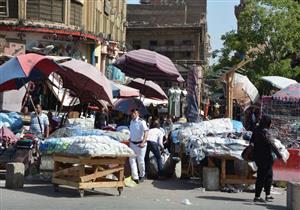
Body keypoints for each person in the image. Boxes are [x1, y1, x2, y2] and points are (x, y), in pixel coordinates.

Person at [250, 115, 282, 202]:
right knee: (262, 176)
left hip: (259, 157)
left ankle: (267, 195)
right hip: (265, 158)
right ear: (267, 123)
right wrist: (280, 156)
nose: (271, 124)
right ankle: (257, 197)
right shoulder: (264, 132)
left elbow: (251, 142)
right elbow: (271, 145)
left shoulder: (256, 130)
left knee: (268, 176)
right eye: (270, 122)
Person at [129, 109, 149, 184]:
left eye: (135, 113)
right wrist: (130, 138)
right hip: (132, 143)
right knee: (132, 160)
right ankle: (135, 177)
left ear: (138, 114)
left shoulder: (141, 121)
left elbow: (146, 132)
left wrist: (143, 142)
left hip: (140, 144)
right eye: (132, 113)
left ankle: (142, 175)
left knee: (140, 161)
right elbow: (132, 131)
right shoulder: (131, 121)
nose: (133, 114)